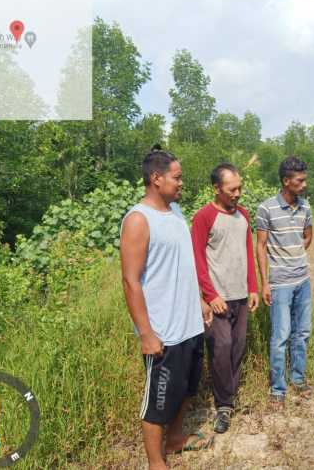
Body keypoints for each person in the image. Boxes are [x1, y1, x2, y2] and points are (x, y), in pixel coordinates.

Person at [120, 147, 214, 470]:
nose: (181, 183)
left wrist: (200, 301)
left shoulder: (175, 214)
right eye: (177, 177)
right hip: (163, 331)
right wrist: (146, 333)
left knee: (187, 389)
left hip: (189, 324)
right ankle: (155, 462)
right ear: (155, 179)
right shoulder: (138, 220)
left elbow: (183, 265)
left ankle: (175, 440)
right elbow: (131, 282)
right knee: (158, 402)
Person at [190, 163, 259, 434]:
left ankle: (229, 395)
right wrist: (209, 294)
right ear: (217, 188)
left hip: (241, 295)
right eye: (232, 189)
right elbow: (197, 259)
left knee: (237, 347)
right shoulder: (204, 217)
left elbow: (248, 253)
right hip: (218, 297)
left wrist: (253, 288)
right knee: (220, 349)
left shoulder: (243, 215)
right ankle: (224, 405)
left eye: (240, 187)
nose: (238, 193)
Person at [256, 156, 314, 408]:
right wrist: (265, 283)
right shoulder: (266, 209)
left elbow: (308, 235)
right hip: (280, 283)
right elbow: (260, 246)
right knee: (281, 336)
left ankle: (298, 379)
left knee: (302, 333)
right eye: (299, 181)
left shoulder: (306, 207)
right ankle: (278, 389)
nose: (304, 184)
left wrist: (297, 253)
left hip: (303, 280)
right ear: (286, 181)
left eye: (304, 179)